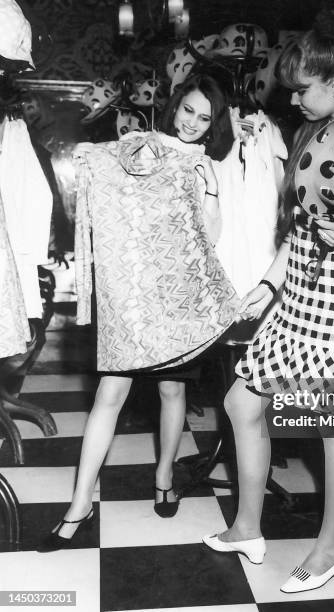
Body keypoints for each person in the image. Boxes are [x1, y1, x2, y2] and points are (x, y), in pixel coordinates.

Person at [203, 11, 334, 593]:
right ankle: (247, 526)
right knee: (241, 404)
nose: (294, 99)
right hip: (296, 298)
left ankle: (332, 549)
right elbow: (297, 229)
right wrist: (268, 287)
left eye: (303, 88)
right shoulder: (312, 135)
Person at [38, 74, 235, 552]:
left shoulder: (205, 165)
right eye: (187, 111)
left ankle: (164, 477)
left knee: (172, 393)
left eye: (204, 118)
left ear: (214, 126)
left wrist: (209, 190)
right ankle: (79, 504)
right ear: (174, 108)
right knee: (109, 395)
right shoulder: (142, 145)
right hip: (131, 298)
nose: (191, 123)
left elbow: (209, 239)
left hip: (178, 299)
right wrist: (90, 155)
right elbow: (114, 186)